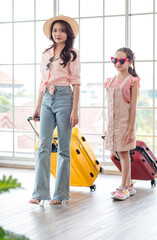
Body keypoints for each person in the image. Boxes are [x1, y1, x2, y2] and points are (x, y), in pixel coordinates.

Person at [29, 15, 81, 205]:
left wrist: (75, 110)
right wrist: (37, 106)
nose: (58, 33)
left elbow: (76, 83)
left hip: (64, 98)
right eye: (55, 30)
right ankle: (39, 193)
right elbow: (43, 82)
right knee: (43, 146)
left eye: (62, 30)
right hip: (46, 99)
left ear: (68, 33)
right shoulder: (45, 53)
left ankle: (60, 195)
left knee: (64, 149)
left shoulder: (72, 54)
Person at [104, 47, 140, 200]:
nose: (117, 63)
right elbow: (109, 106)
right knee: (117, 152)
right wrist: (107, 127)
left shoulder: (132, 82)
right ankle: (129, 184)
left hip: (125, 123)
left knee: (124, 154)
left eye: (121, 60)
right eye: (115, 60)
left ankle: (124, 187)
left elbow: (133, 108)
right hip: (112, 123)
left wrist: (130, 129)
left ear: (130, 62)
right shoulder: (110, 81)